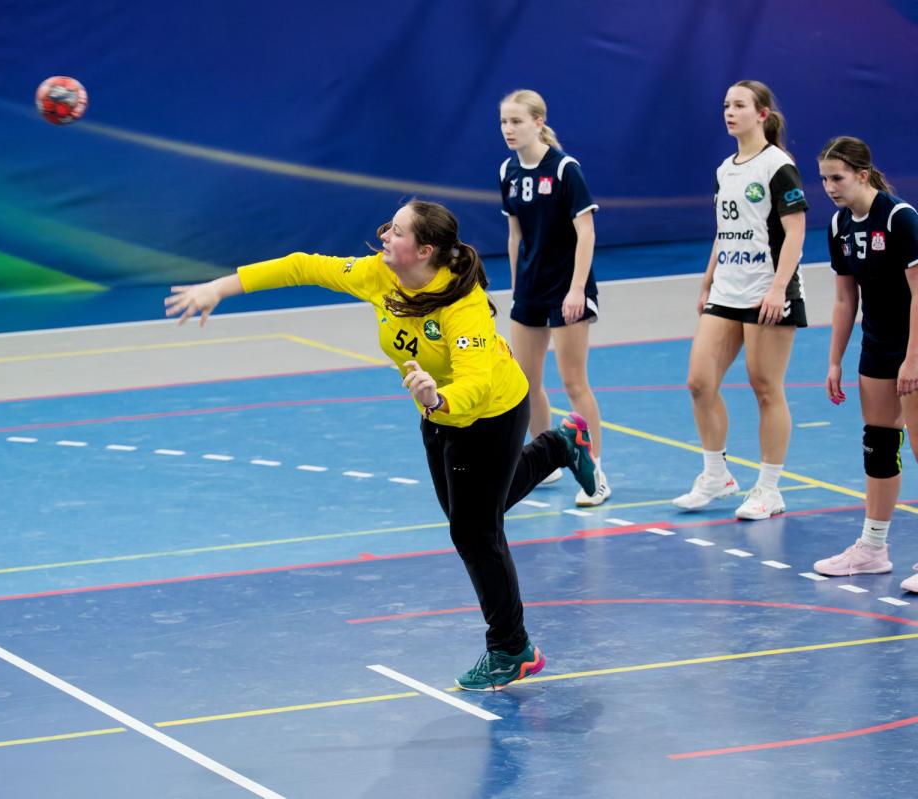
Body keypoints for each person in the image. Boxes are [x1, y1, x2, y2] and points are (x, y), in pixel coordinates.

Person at [164, 199, 598, 690]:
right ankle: (560, 445)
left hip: (490, 413)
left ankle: (512, 648)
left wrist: (438, 398)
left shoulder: (463, 305)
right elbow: (303, 266)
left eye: (397, 231)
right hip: (436, 412)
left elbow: (476, 382)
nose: (385, 235)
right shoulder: (379, 275)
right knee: (472, 515)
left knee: (474, 532)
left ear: (424, 250)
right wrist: (220, 288)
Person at [672, 79, 808, 519]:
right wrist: (708, 280)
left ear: (762, 114)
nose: (729, 112)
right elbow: (724, 230)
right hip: (727, 289)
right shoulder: (724, 169)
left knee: (765, 386)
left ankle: (769, 489)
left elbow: (795, 232)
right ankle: (716, 476)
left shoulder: (777, 165)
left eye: (740, 106)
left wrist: (777, 288)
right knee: (699, 382)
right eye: (726, 105)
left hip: (766, 290)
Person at [810, 136, 918, 594]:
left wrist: (913, 358)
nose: (830, 187)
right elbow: (844, 299)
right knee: (879, 443)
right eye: (824, 179)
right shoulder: (839, 225)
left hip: (912, 345)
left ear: (863, 174)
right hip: (876, 347)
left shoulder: (898, 218)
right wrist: (834, 360)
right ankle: (873, 549)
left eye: (837, 178)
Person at [499, 89, 611, 506]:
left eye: (516, 121)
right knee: (525, 382)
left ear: (538, 122)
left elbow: (587, 232)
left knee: (573, 381)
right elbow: (515, 235)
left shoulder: (565, 169)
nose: (509, 129)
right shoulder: (508, 171)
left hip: (567, 288)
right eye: (504, 122)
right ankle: (545, 462)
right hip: (530, 289)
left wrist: (577, 289)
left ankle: (595, 470)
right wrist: (517, 287)